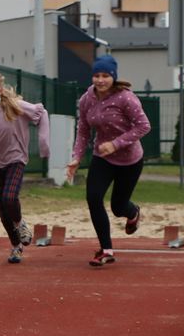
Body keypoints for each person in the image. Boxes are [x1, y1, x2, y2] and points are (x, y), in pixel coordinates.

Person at [64, 55, 151, 267]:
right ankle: (106, 249)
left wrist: (116, 144)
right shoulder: (87, 99)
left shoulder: (125, 98)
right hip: (102, 158)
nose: (100, 80)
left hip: (130, 160)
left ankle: (133, 212)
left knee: (118, 206)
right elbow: (83, 130)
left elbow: (143, 126)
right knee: (93, 198)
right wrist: (76, 157)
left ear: (113, 77)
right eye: (96, 75)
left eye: (105, 76)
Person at [0, 70, 50, 263]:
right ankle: (16, 246)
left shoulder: (15, 105)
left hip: (16, 159)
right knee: (2, 209)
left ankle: (20, 222)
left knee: (9, 197)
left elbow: (42, 114)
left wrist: (44, 145)